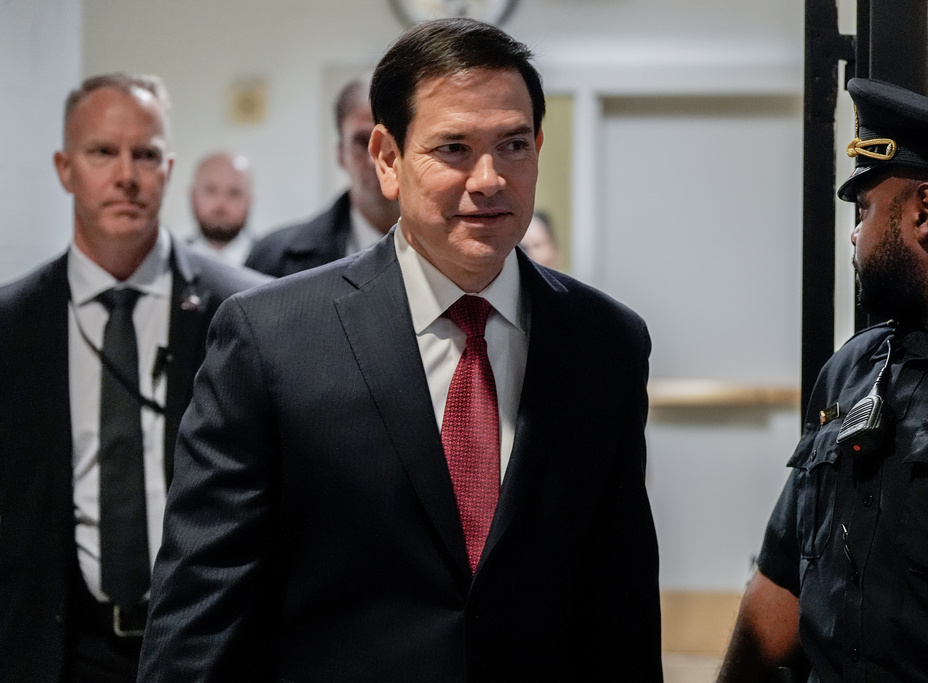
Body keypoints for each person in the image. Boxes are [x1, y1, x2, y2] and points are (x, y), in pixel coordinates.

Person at [139, 18, 662, 682]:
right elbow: (202, 609)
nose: (489, 178)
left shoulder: (605, 342)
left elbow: (619, 600)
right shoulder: (272, 338)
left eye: (512, 145)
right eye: (454, 148)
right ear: (387, 159)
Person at [718, 79, 928, 682]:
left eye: (864, 210)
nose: (855, 235)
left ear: (924, 212)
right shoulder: (854, 368)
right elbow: (783, 577)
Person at [0, 73, 267, 683]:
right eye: (102, 152)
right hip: (56, 650)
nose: (126, 175)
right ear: (65, 169)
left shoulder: (246, 314)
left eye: (145, 155)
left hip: (210, 647)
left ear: (168, 170)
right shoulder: (12, 325)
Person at [245, 76, 401, 276]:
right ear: (340, 154)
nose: (375, 160)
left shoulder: (443, 255)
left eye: (390, 143)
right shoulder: (272, 259)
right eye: (362, 142)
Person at [187, 151, 255, 267]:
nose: (221, 203)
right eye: (210, 190)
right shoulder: (169, 263)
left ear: (249, 200)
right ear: (193, 195)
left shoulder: (275, 264)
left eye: (234, 193)